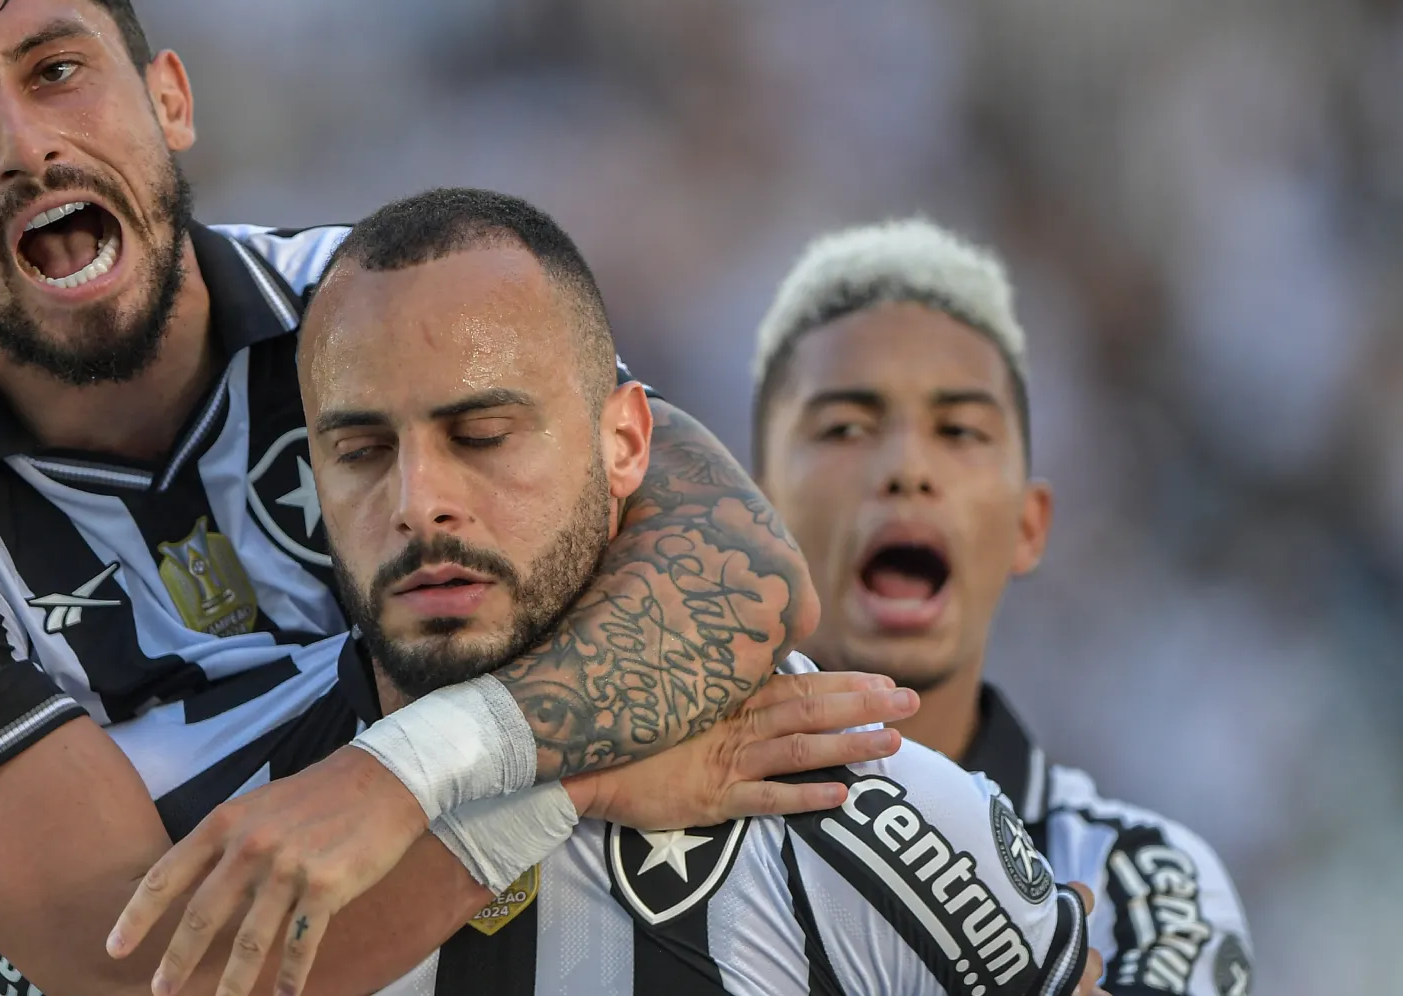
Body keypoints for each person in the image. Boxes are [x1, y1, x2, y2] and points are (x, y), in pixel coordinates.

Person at [0, 0, 905, 995]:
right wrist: (562, 783)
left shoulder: (370, 307)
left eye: (56, 71)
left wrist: (401, 775)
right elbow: (146, 973)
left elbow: (742, 576)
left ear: (169, 101)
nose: (21, 144)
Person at [186, 186, 1097, 995]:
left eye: (483, 435)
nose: (418, 503)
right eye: (361, 452)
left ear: (624, 444)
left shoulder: (856, 807)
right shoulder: (199, 801)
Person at [748, 220, 1254, 996]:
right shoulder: (640, 826)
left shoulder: (1146, 888)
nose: (907, 468)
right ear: (757, 516)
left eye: (959, 430)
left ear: (1029, 526)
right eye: (846, 428)